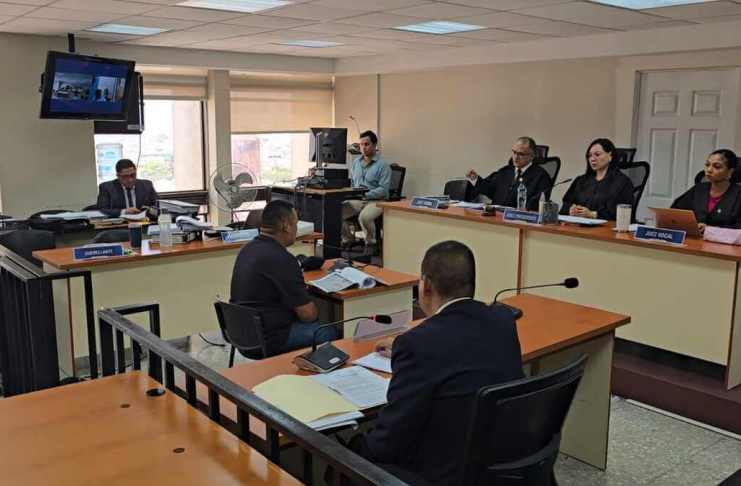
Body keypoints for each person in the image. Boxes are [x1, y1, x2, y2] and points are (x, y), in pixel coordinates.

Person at [349, 241, 524, 485]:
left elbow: (389, 442)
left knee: (349, 454)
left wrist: (355, 444)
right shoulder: (503, 320)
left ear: (426, 285)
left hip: (443, 474)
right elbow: (461, 346)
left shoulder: (419, 345)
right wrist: (403, 345)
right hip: (501, 465)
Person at [230, 200, 338, 356]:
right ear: (285, 226)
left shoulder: (248, 248)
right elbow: (308, 315)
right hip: (266, 339)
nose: (296, 229)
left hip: (241, 333)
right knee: (329, 331)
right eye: (295, 223)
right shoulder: (282, 259)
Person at [342, 130, 392, 256]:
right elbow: (352, 183)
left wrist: (366, 195)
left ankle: (371, 243)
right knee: (337, 211)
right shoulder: (356, 163)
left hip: (377, 201)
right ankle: (348, 239)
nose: (363, 148)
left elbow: (383, 190)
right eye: (361, 145)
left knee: (364, 217)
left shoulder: (383, 166)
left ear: (375, 145)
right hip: (358, 199)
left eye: (366, 144)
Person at [465, 136, 551, 210]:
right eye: (514, 152)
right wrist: (475, 179)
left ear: (532, 156)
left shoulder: (541, 177)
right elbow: (489, 189)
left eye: (521, 154)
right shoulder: (505, 171)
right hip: (495, 217)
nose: (516, 157)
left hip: (520, 220)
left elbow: (538, 204)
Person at [560, 138, 634, 220]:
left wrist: (593, 214)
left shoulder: (622, 182)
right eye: (590, 156)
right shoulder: (581, 180)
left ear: (610, 156)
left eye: (597, 154)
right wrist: (571, 210)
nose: (592, 159)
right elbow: (566, 204)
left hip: (606, 230)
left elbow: (621, 214)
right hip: (578, 227)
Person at [672, 149, 741, 234]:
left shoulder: (738, 194)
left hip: (726, 244)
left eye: (717, 166)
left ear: (730, 171)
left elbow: (738, 227)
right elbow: (675, 212)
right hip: (695, 241)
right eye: (707, 165)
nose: (709, 170)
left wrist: (710, 230)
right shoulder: (699, 189)